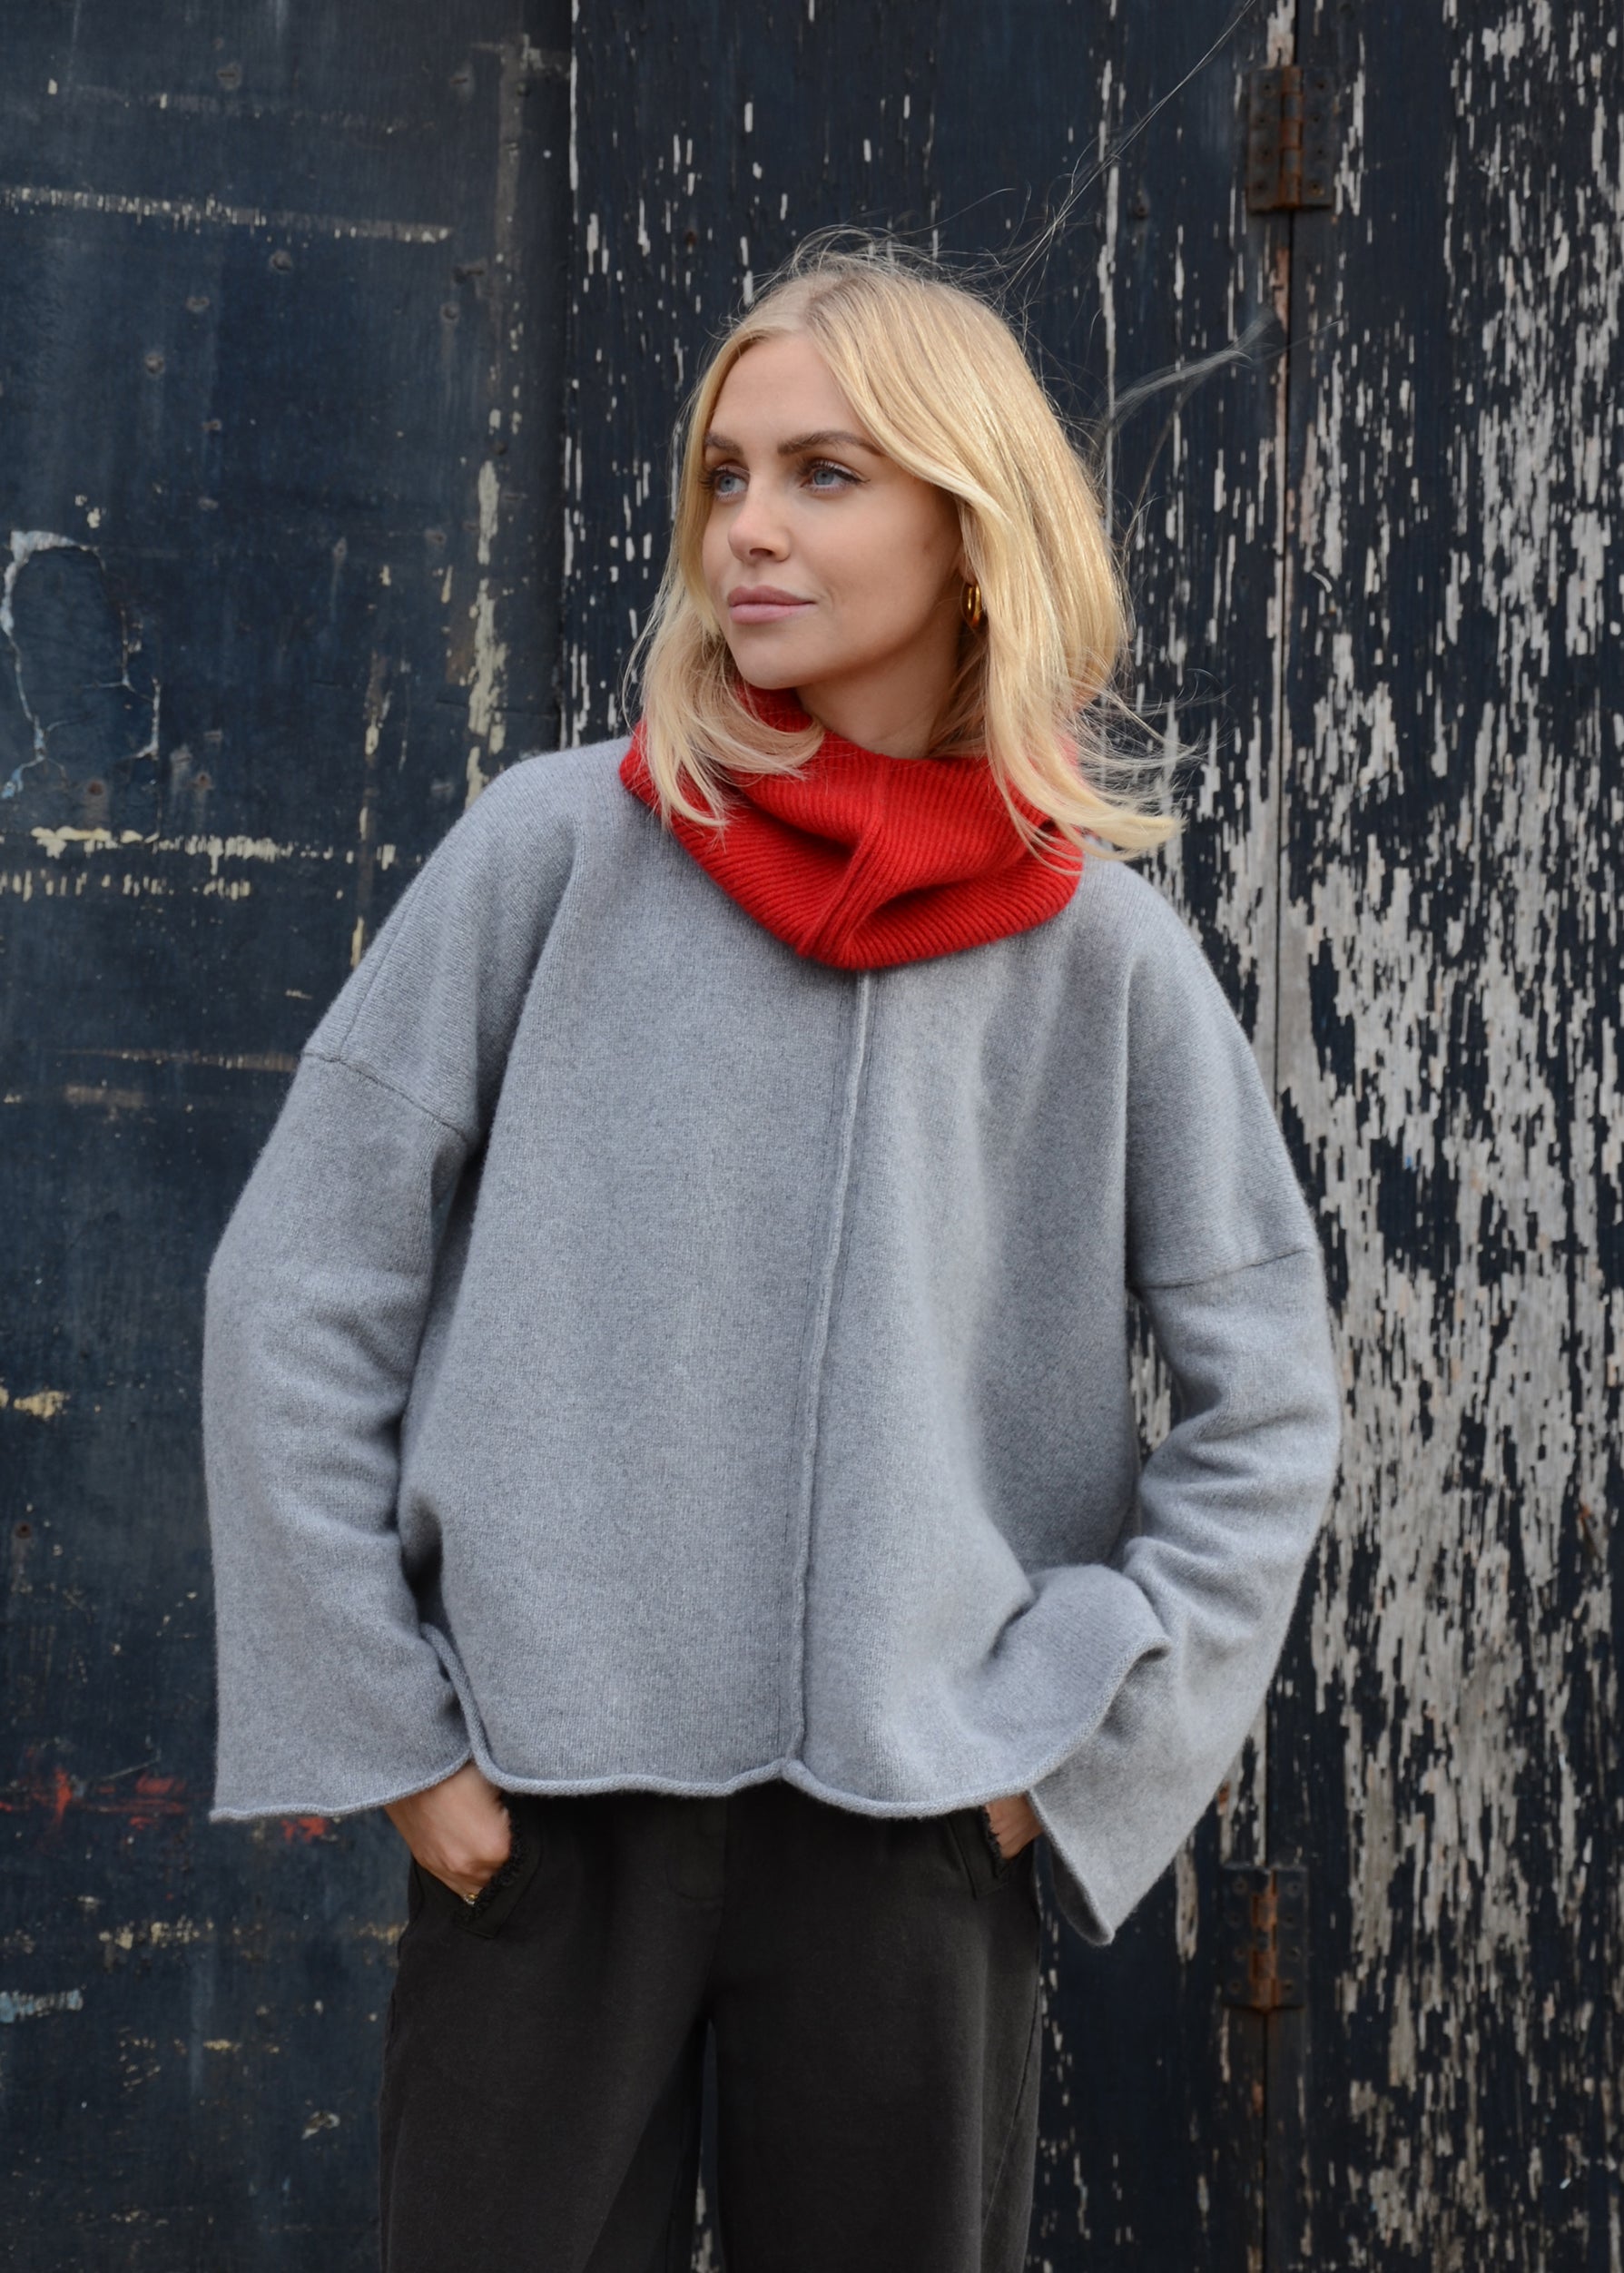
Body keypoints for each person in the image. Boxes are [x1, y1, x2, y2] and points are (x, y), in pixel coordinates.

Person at [202, 237, 1343, 2273]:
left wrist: (1067, 1743)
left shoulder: (1101, 953)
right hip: (540, 1813)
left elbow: (1268, 1397)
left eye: (826, 474)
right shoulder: (553, 848)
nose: (748, 526)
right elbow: (296, 1286)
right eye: (725, 475)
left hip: (919, 1824)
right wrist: (396, 1736)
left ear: (969, 529)